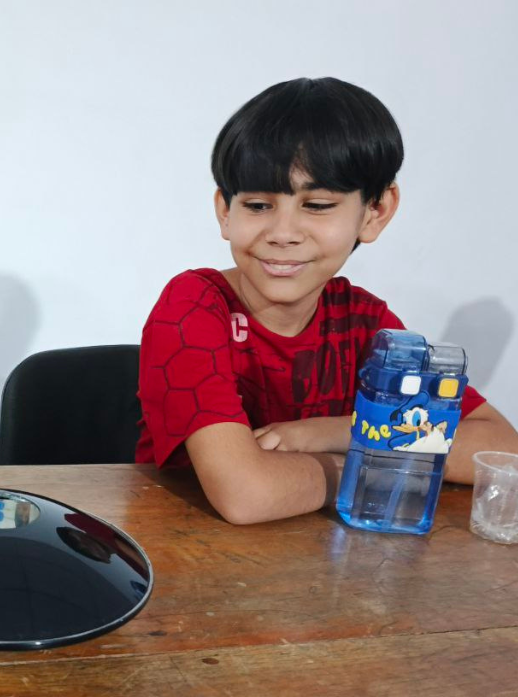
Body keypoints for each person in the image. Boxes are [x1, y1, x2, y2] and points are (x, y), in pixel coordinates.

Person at [136, 77, 518, 524]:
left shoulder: (364, 320)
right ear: (225, 211)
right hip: (183, 548)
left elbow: (502, 450)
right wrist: (376, 465)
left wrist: (333, 433)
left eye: (317, 205)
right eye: (258, 205)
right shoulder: (193, 306)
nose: (282, 233)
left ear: (375, 212)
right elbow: (247, 496)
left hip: (321, 557)